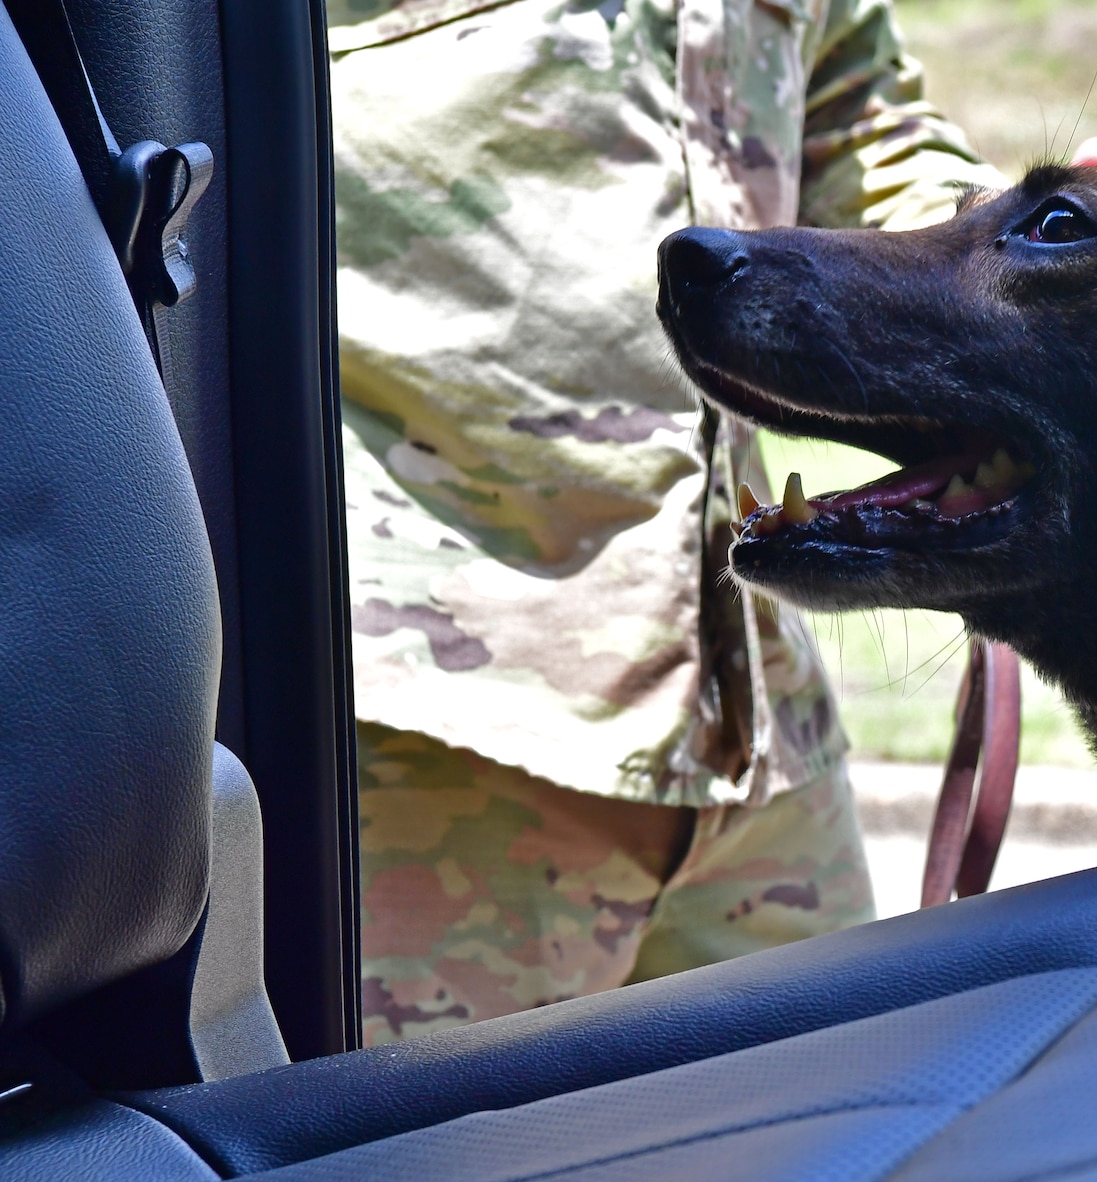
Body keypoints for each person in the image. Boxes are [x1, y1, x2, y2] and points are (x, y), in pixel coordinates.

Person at [325, 0, 1013, 1046]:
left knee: (830, 1163)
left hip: (750, 724)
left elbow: (855, 122)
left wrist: (1024, 249)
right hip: (433, 727)